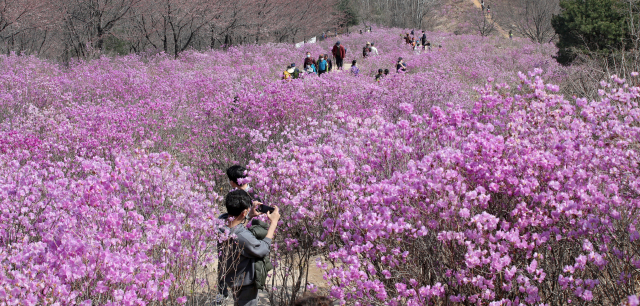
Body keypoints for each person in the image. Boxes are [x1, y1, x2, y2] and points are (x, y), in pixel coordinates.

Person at [218, 188, 280, 306]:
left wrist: (248, 215)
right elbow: (263, 249)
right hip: (245, 282)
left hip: (232, 277)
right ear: (243, 212)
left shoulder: (220, 223)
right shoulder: (242, 236)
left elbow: (234, 225)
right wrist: (274, 223)